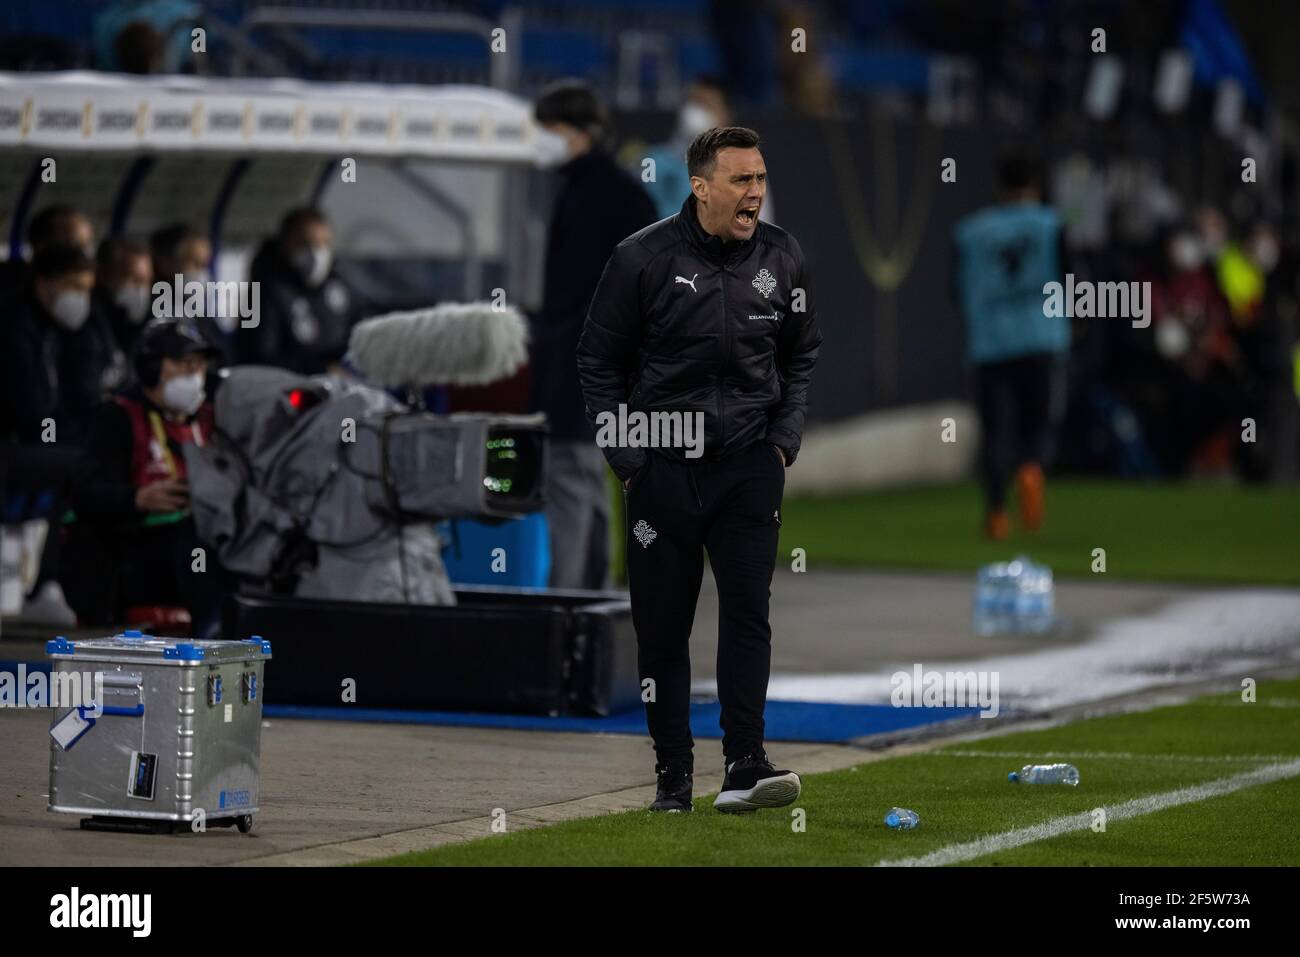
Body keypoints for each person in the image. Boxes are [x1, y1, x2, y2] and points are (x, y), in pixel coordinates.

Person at [577, 126, 822, 813]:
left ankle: (745, 762)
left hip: (748, 466)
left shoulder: (785, 257)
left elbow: (801, 356)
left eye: (761, 178)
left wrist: (781, 443)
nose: (755, 193)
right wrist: (629, 463)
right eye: (741, 180)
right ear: (701, 185)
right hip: (661, 468)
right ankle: (672, 776)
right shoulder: (641, 258)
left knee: (749, 615)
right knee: (661, 628)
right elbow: (597, 364)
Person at [531, 79, 658, 590]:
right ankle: (596, 602)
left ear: (576, 132)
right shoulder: (617, 192)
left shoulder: (596, 195)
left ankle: (570, 609)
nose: (541, 140)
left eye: (549, 130)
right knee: (588, 482)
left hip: (582, 366)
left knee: (569, 476)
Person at [63, 319, 225, 634]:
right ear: (151, 368)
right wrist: (137, 498)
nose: (194, 375)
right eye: (182, 364)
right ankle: (211, 639)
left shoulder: (211, 419)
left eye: (199, 365)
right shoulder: (118, 417)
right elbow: (83, 493)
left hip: (189, 547)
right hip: (130, 553)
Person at [951, 151, 1068, 539]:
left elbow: (956, 289)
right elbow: (1070, 275)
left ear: (1000, 186)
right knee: (1038, 421)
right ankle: (1032, 467)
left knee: (996, 430)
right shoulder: (1050, 224)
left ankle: (998, 513)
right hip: (1040, 338)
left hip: (990, 343)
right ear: (1034, 185)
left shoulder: (970, 231)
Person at [238, 207, 358, 375]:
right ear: (284, 243)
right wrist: (321, 369)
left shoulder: (338, 283)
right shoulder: (261, 292)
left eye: (324, 243)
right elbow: (256, 357)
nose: (317, 253)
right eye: (306, 244)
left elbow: (357, 326)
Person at [641, 77, 775, 225]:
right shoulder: (653, 160)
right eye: (693, 102)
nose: (695, 112)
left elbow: (758, 228)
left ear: (725, 116)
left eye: (707, 105)